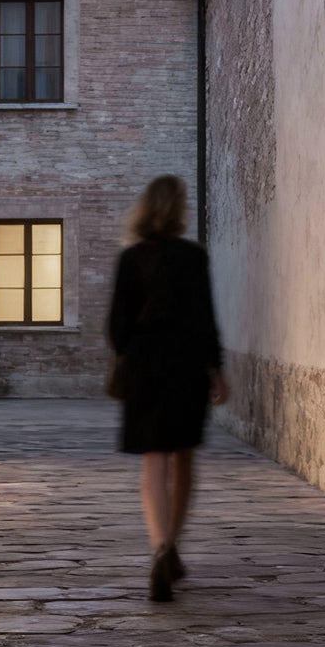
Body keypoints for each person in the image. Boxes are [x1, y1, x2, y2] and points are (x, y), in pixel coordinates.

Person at [107, 175, 228, 602]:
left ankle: (159, 547)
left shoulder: (131, 259)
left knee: (153, 462)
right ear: (178, 210)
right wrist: (217, 370)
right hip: (186, 367)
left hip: (144, 366)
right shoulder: (193, 257)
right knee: (184, 458)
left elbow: (117, 327)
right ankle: (172, 545)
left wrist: (129, 353)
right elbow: (205, 318)